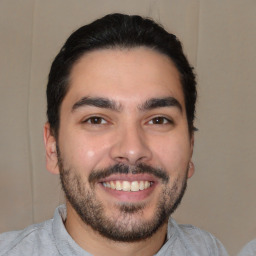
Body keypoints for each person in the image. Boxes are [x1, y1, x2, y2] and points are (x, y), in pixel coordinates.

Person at [0, 13, 228, 256]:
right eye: (96, 120)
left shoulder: (211, 250)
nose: (132, 150)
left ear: (190, 146)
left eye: (158, 120)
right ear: (52, 148)